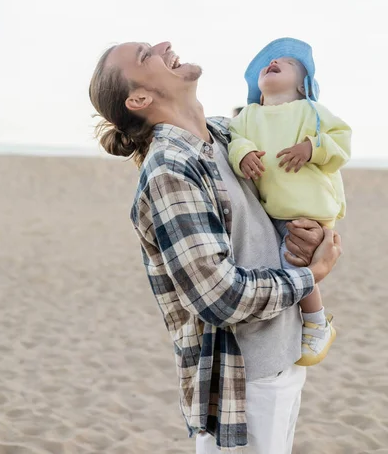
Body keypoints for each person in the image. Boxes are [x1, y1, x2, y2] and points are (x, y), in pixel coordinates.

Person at [89, 41, 342, 454]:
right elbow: (218, 296)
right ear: (139, 98)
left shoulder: (229, 134)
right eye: (145, 55)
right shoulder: (170, 169)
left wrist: (310, 234)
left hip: (285, 358)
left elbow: (293, 200)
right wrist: (311, 275)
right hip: (243, 386)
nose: (163, 45)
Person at [229, 38, 351, 367]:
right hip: (273, 210)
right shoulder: (248, 116)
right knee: (279, 266)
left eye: (288, 62)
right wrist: (243, 155)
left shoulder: (311, 111)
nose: (274, 63)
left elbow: (341, 139)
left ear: (303, 84)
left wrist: (312, 147)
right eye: (268, 64)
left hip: (310, 209)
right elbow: (235, 140)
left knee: (297, 263)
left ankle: (317, 323)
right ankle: (294, 326)